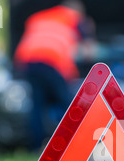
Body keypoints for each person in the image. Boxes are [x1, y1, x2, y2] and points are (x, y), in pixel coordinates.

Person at [13, 0, 95, 149]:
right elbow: (88, 51)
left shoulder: (39, 17)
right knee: (69, 104)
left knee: (37, 106)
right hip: (52, 61)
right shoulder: (74, 17)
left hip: (29, 62)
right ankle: (79, 144)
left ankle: (36, 147)